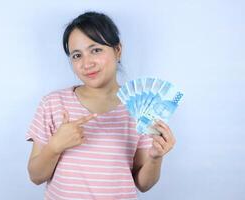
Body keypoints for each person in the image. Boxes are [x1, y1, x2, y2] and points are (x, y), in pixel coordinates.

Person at [26, 11, 176, 200]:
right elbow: (35, 176)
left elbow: (143, 184)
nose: (86, 63)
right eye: (76, 55)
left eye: (95, 50)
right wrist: (55, 146)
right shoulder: (53, 103)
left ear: (118, 50)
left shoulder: (141, 108)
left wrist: (155, 157)